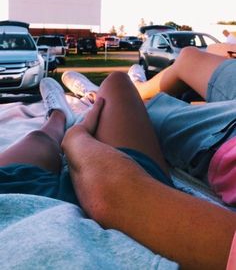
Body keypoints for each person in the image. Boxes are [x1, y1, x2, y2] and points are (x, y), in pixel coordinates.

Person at [0, 70, 235, 269]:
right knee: (116, 83)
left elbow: (115, 199)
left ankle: (60, 114)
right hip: (128, 197)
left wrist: (76, 139)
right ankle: (75, 108)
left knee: (39, 138)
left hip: (16, 204)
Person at [62, 47, 236, 206]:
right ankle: (138, 87)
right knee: (189, 58)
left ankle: (94, 99)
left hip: (227, 139)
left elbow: (123, 198)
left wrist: (77, 141)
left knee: (118, 93)